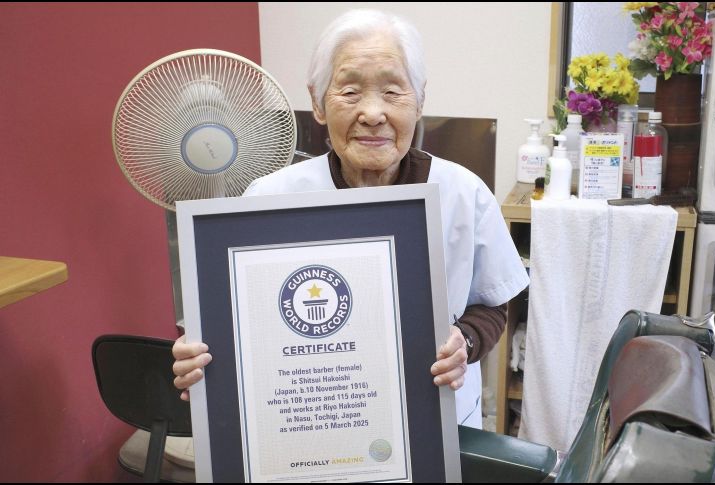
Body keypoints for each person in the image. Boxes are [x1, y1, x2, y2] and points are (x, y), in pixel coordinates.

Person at [172, 8, 528, 428]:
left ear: (420, 99)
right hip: (312, 422)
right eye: (351, 91)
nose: (373, 113)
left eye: (392, 91)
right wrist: (200, 357)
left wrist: (464, 342)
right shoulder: (268, 199)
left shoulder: (464, 194)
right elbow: (237, 322)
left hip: (436, 423)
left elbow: (491, 304)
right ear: (317, 102)